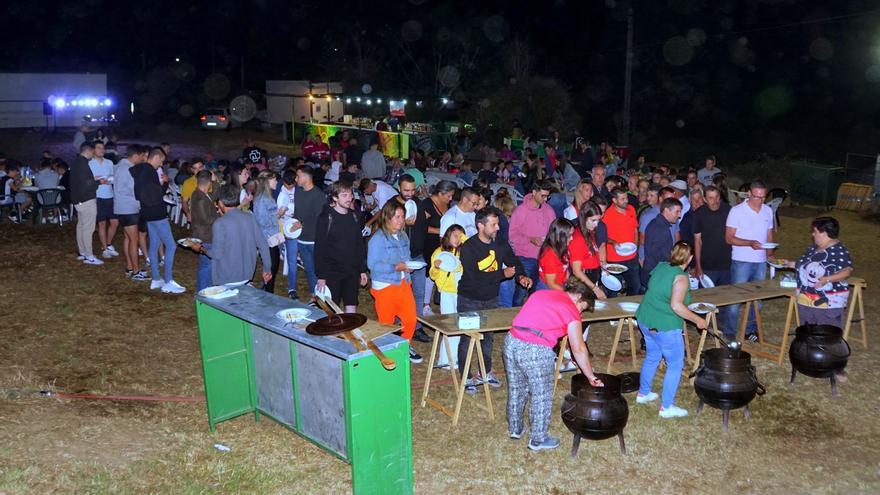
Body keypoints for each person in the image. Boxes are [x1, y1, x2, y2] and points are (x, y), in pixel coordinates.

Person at [504, 278, 602, 451]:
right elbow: (578, 348)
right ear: (578, 297)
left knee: (516, 388)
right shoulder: (571, 309)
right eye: (583, 307)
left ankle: (515, 428)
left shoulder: (542, 293)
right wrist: (591, 376)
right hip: (535, 350)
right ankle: (538, 440)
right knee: (541, 395)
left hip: (511, 341)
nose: (580, 313)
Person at [457, 208, 531, 393]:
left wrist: (521, 276)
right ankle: (466, 377)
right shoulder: (469, 247)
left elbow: (514, 260)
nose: (498, 228)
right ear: (480, 225)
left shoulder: (499, 243)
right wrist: (502, 274)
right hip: (470, 298)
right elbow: (475, 277)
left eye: (498, 223)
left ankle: (485, 372)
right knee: (467, 338)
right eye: (493, 224)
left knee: (487, 338)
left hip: (491, 298)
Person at [635, 241, 708, 418]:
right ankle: (667, 407)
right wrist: (699, 320)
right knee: (675, 364)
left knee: (653, 356)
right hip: (665, 326)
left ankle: (643, 394)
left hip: (646, 319)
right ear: (690, 258)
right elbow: (677, 306)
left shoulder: (661, 267)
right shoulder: (681, 278)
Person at [366, 201, 421, 364]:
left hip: (404, 282)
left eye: (402, 217)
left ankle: (405, 347)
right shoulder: (378, 238)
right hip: (385, 285)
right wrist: (395, 267)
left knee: (410, 319)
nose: (400, 220)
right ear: (387, 217)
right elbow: (373, 265)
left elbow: (407, 258)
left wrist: (408, 266)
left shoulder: (403, 236)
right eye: (397, 217)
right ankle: (386, 354)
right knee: (386, 325)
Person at [192, 184, 272, 287]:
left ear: (220, 203)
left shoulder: (220, 223)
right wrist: (267, 269)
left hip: (226, 278)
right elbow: (263, 245)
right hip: (246, 275)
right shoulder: (250, 217)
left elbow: (216, 254)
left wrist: (201, 248)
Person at [779, 216, 854, 327]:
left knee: (826, 334)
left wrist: (826, 279)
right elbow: (806, 265)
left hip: (829, 303)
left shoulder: (838, 250)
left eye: (815, 231)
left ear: (824, 233)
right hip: (806, 298)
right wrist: (789, 263)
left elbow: (846, 271)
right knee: (808, 332)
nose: (813, 234)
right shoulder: (814, 248)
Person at [725, 180, 775, 341]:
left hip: (760, 261)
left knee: (757, 299)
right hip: (741, 260)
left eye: (762, 197)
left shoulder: (768, 211)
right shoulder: (737, 211)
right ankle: (730, 331)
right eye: (756, 197)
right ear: (749, 194)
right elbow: (729, 238)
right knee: (736, 298)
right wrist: (749, 243)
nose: (759, 200)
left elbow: (769, 235)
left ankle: (750, 329)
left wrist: (770, 254)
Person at [131, 147, 185, 293]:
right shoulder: (149, 172)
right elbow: (156, 194)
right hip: (157, 213)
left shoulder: (138, 170)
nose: (161, 165)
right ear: (156, 157)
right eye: (161, 161)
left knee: (154, 244)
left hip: (146, 212)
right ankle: (168, 281)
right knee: (171, 246)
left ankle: (155, 279)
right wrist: (165, 184)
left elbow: (139, 194)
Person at [315, 181, 368, 313]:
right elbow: (319, 248)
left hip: (352, 272)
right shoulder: (326, 218)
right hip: (332, 272)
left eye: (350, 195)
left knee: (351, 306)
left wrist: (362, 270)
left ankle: (349, 332)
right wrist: (321, 276)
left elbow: (359, 245)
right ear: (334, 197)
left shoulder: (355, 216)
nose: (349, 198)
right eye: (344, 195)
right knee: (333, 309)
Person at [395, 174, 432, 342]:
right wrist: (404, 224)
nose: (409, 193)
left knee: (419, 292)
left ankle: (416, 327)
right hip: (400, 258)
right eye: (406, 190)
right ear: (398, 188)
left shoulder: (417, 202)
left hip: (417, 255)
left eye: (412, 190)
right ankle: (397, 326)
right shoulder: (392, 205)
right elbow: (386, 230)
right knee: (400, 293)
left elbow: (423, 225)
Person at [693, 186, 733, 335]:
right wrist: (698, 265)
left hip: (726, 263)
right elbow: (697, 241)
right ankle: (703, 327)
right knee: (706, 298)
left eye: (717, 197)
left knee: (724, 298)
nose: (715, 201)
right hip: (707, 263)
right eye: (710, 198)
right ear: (704, 199)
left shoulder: (728, 210)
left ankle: (721, 326)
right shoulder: (699, 214)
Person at [509, 180, 556, 305]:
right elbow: (512, 235)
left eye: (548, 196)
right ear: (534, 192)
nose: (545, 199)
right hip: (525, 257)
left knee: (536, 293)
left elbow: (554, 231)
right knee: (521, 293)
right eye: (543, 196)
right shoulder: (521, 211)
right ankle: (514, 318)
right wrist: (530, 239)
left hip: (543, 257)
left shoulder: (549, 210)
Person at [429, 224, 466, 368]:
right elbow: (432, 275)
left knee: (459, 325)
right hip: (447, 293)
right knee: (450, 326)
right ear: (448, 235)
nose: (458, 239)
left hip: (462, 292)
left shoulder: (465, 251)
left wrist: (465, 240)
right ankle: (446, 360)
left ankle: (454, 358)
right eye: (455, 235)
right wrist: (436, 267)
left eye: (461, 236)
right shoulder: (440, 252)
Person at [113, 145, 148, 280]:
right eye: (141, 156)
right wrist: (140, 194)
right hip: (128, 208)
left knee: (128, 238)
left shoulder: (121, 166)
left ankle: (129, 267)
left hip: (123, 208)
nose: (141, 159)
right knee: (134, 240)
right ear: (135, 156)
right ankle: (135, 271)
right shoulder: (126, 169)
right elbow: (124, 189)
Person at [293, 166, 325, 302]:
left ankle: (324, 296)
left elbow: (320, 217)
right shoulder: (298, 192)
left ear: (306, 177)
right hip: (301, 238)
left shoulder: (318, 195)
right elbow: (297, 213)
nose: (296, 179)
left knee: (320, 270)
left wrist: (302, 222)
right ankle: (314, 296)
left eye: (298, 176)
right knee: (309, 269)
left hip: (314, 239)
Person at [422, 180, 456, 311]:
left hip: (441, 243)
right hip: (429, 243)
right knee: (430, 273)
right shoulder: (427, 205)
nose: (451, 199)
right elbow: (421, 226)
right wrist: (440, 231)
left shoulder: (445, 204)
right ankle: (425, 304)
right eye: (449, 196)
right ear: (440, 193)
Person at [603, 188, 640, 296]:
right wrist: (612, 242)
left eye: (626, 198)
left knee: (635, 286)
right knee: (613, 289)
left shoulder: (631, 209)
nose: (626, 201)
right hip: (614, 258)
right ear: (614, 200)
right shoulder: (607, 215)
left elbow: (635, 230)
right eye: (622, 199)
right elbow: (602, 236)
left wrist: (635, 246)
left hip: (631, 256)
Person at [70, 142, 103, 265]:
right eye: (93, 152)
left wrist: (94, 180)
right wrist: (99, 182)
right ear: (88, 151)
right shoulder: (83, 164)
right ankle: (89, 255)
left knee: (81, 226)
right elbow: (86, 185)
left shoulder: (76, 162)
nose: (93, 154)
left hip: (77, 200)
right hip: (86, 200)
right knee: (88, 228)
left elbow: (81, 181)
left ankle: (83, 252)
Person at [252, 171, 283, 293]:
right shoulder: (262, 199)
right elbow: (262, 221)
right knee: (270, 270)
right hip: (267, 240)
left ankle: (267, 293)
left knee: (272, 270)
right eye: (274, 179)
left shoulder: (267, 196)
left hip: (273, 238)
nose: (276, 182)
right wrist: (277, 215)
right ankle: (268, 296)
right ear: (267, 181)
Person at [642, 198, 683, 288]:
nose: (679, 215)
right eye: (677, 212)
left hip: (653, 271)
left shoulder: (656, 223)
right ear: (666, 210)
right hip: (655, 274)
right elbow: (662, 256)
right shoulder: (661, 229)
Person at [89, 141, 119, 259]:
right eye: (99, 148)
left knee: (115, 222)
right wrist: (97, 180)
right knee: (102, 223)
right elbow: (89, 179)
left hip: (110, 195)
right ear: (94, 150)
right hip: (98, 196)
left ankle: (108, 243)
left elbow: (113, 177)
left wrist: (109, 180)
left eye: (103, 148)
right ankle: (104, 248)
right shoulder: (90, 163)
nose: (101, 150)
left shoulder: (109, 162)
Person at [190, 170, 219, 291]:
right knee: (207, 266)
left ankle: (205, 289)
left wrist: (215, 181)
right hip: (205, 236)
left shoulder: (201, 194)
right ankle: (202, 291)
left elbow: (215, 195)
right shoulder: (201, 199)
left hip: (204, 235)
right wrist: (219, 214)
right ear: (208, 183)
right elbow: (205, 220)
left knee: (207, 265)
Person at [536, 219, 574, 290]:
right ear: (559, 236)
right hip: (548, 289)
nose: (572, 238)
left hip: (560, 284)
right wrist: (569, 293)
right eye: (569, 235)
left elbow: (564, 268)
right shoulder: (549, 256)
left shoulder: (562, 246)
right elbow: (551, 284)